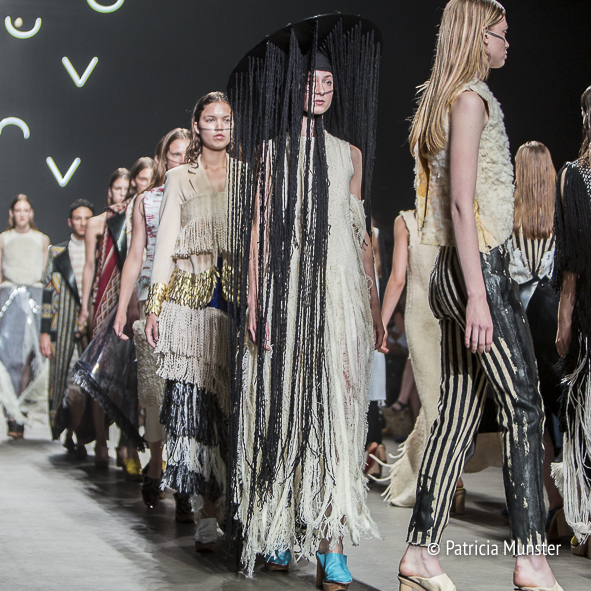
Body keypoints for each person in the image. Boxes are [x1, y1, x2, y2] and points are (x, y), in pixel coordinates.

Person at [397, 2, 562, 591]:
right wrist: (477, 295)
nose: (507, 43)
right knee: (524, 405)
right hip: (478, 270)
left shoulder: (443, 100)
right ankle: (531, 559)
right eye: (501, 33)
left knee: (458, 413)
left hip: (450, 267)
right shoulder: (471, 100)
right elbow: (463, 204)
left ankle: (419, 554)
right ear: (477, 36)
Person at [226, 15, 383, 587]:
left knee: (336, 411)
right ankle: (277, 524)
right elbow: (259, 233)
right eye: (312, 81)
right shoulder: (271, 153)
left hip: (339, 295)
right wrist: (254, 300)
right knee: (284, 402)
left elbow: (359, 235)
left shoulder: (350, 155)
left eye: (329, 83)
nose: (321, 90)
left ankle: (331, 542)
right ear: (295, 87)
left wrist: (372, 307)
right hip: (288, 291)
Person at [145, 94, 233, 546]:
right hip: (189, 307)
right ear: (196, 125)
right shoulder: (180, 177)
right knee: (196, 409)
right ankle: (206, 510)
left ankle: (234, 504)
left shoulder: (248, 176)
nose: (219, 126)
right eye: (210, 119)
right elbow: (165, 245)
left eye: (226, 119)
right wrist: (154, 306)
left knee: (233, 412)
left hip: (237, 305)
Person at [113, 127, 191, 508]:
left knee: (188, 387)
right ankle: (157, 462)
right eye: (175, 154)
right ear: (163, 159)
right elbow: (135, 256)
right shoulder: (147, 200)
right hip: (153, 301)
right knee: (155, 387)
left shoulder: (205, 193)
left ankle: (186, 474)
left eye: (188, 153)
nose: (182, 159)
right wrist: (122, 307)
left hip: (195, 301)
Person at [508, 141, 567, 541]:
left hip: (521, 322)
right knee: (567, 414)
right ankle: (573, 506)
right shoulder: (562, 216)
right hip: (557, 319)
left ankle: (550, 504)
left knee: (533, 417)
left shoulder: (508, 217)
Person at [75, 167, 146, 473]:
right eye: (117, 188)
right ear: (109, 190)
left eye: (126, 188)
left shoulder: (137, 213)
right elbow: (89, 266)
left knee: (132, 372)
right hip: (104, 297)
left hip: (132, 293)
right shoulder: (98, 222)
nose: (122, 192)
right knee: (100, 371)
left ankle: (125, 443)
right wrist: (85, 306)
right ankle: (101, 440)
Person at [379, 210, 440, 507]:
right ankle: (451, 479)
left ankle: (436, 479)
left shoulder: (405, 221)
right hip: (451, 314)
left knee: (430, 401)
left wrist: (381, 324)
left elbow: (398, 278)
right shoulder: (457, 214)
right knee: (446, 399)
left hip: (422, 317)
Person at [553, 84, 591, 558]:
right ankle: (584, 522)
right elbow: (570, 262)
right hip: (586, 313)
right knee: (584, 417)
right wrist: (564, 319)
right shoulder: (574, 177)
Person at [40, 199, 96, 457]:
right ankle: (74, 434)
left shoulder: (100, 251)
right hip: (62, 325)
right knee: (69, 384)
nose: (82, 223)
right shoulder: (57, 252)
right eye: (78, 218)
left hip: (92, 325)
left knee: (89, 386)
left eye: (87, 218)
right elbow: (47, 294)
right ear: (69, 222)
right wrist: (44, 332)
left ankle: (79, 434)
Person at [0, 195, 50, 438]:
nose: (22, 214)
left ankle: (22, 410)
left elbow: (45, 273)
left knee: (33, 356)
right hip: (9, 296)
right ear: (12, 213)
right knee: (11, 357)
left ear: (31, 213)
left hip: (35, 296)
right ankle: (12, 414)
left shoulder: (42, 239)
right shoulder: (4, 238)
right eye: (17, 210)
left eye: (26, 210)